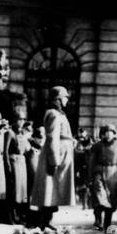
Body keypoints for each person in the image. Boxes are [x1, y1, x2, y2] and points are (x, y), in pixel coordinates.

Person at [32, 86, 76, 223]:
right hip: (56, 158)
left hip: (61, 156)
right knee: (49, 192)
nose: (67, 100)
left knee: (53, 192)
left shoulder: (59, 114)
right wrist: (54, 161)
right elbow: (52, 138)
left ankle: (46, 222)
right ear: (58, 98)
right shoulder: (53, 114)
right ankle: (44, 223)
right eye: (65, 97)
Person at [89, 124, 117, 232]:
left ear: (114, 134)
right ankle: (98, 220)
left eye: (111, 132)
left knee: (111, 199)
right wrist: (90, 177)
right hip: (99, 172)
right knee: (99, 196)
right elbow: (92, 162)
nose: (108, 135)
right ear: (102, 134)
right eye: (106, 133)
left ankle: (107, 224)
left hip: (113, 173)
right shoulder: (97, 146)